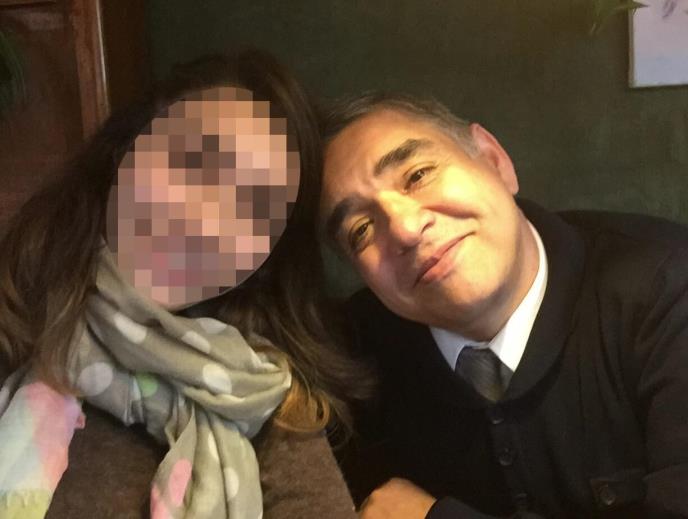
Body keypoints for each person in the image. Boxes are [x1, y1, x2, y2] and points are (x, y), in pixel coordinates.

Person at [0, 50, 367, 518]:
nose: (205, 222)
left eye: (253, 210)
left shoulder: (260, 398)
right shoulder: (16, 322)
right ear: (125, 151)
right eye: (192, 163)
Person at [318, 93, 688, 518]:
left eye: (418, 175)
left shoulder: (667, 289)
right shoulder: (349, 359)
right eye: (361, 229)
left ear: (494, 161)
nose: (404, 229)